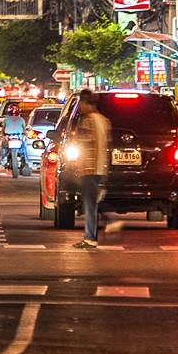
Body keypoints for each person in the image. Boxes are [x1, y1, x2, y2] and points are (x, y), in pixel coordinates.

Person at [73, 102, 113, 249]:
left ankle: (91, 238)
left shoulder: (87, 121)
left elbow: (81, 143)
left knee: (90, 204)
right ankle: (105, 224)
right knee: (93, 202)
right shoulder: (103, 120)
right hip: (101, 168)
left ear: (86, 104)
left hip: (89, 168)